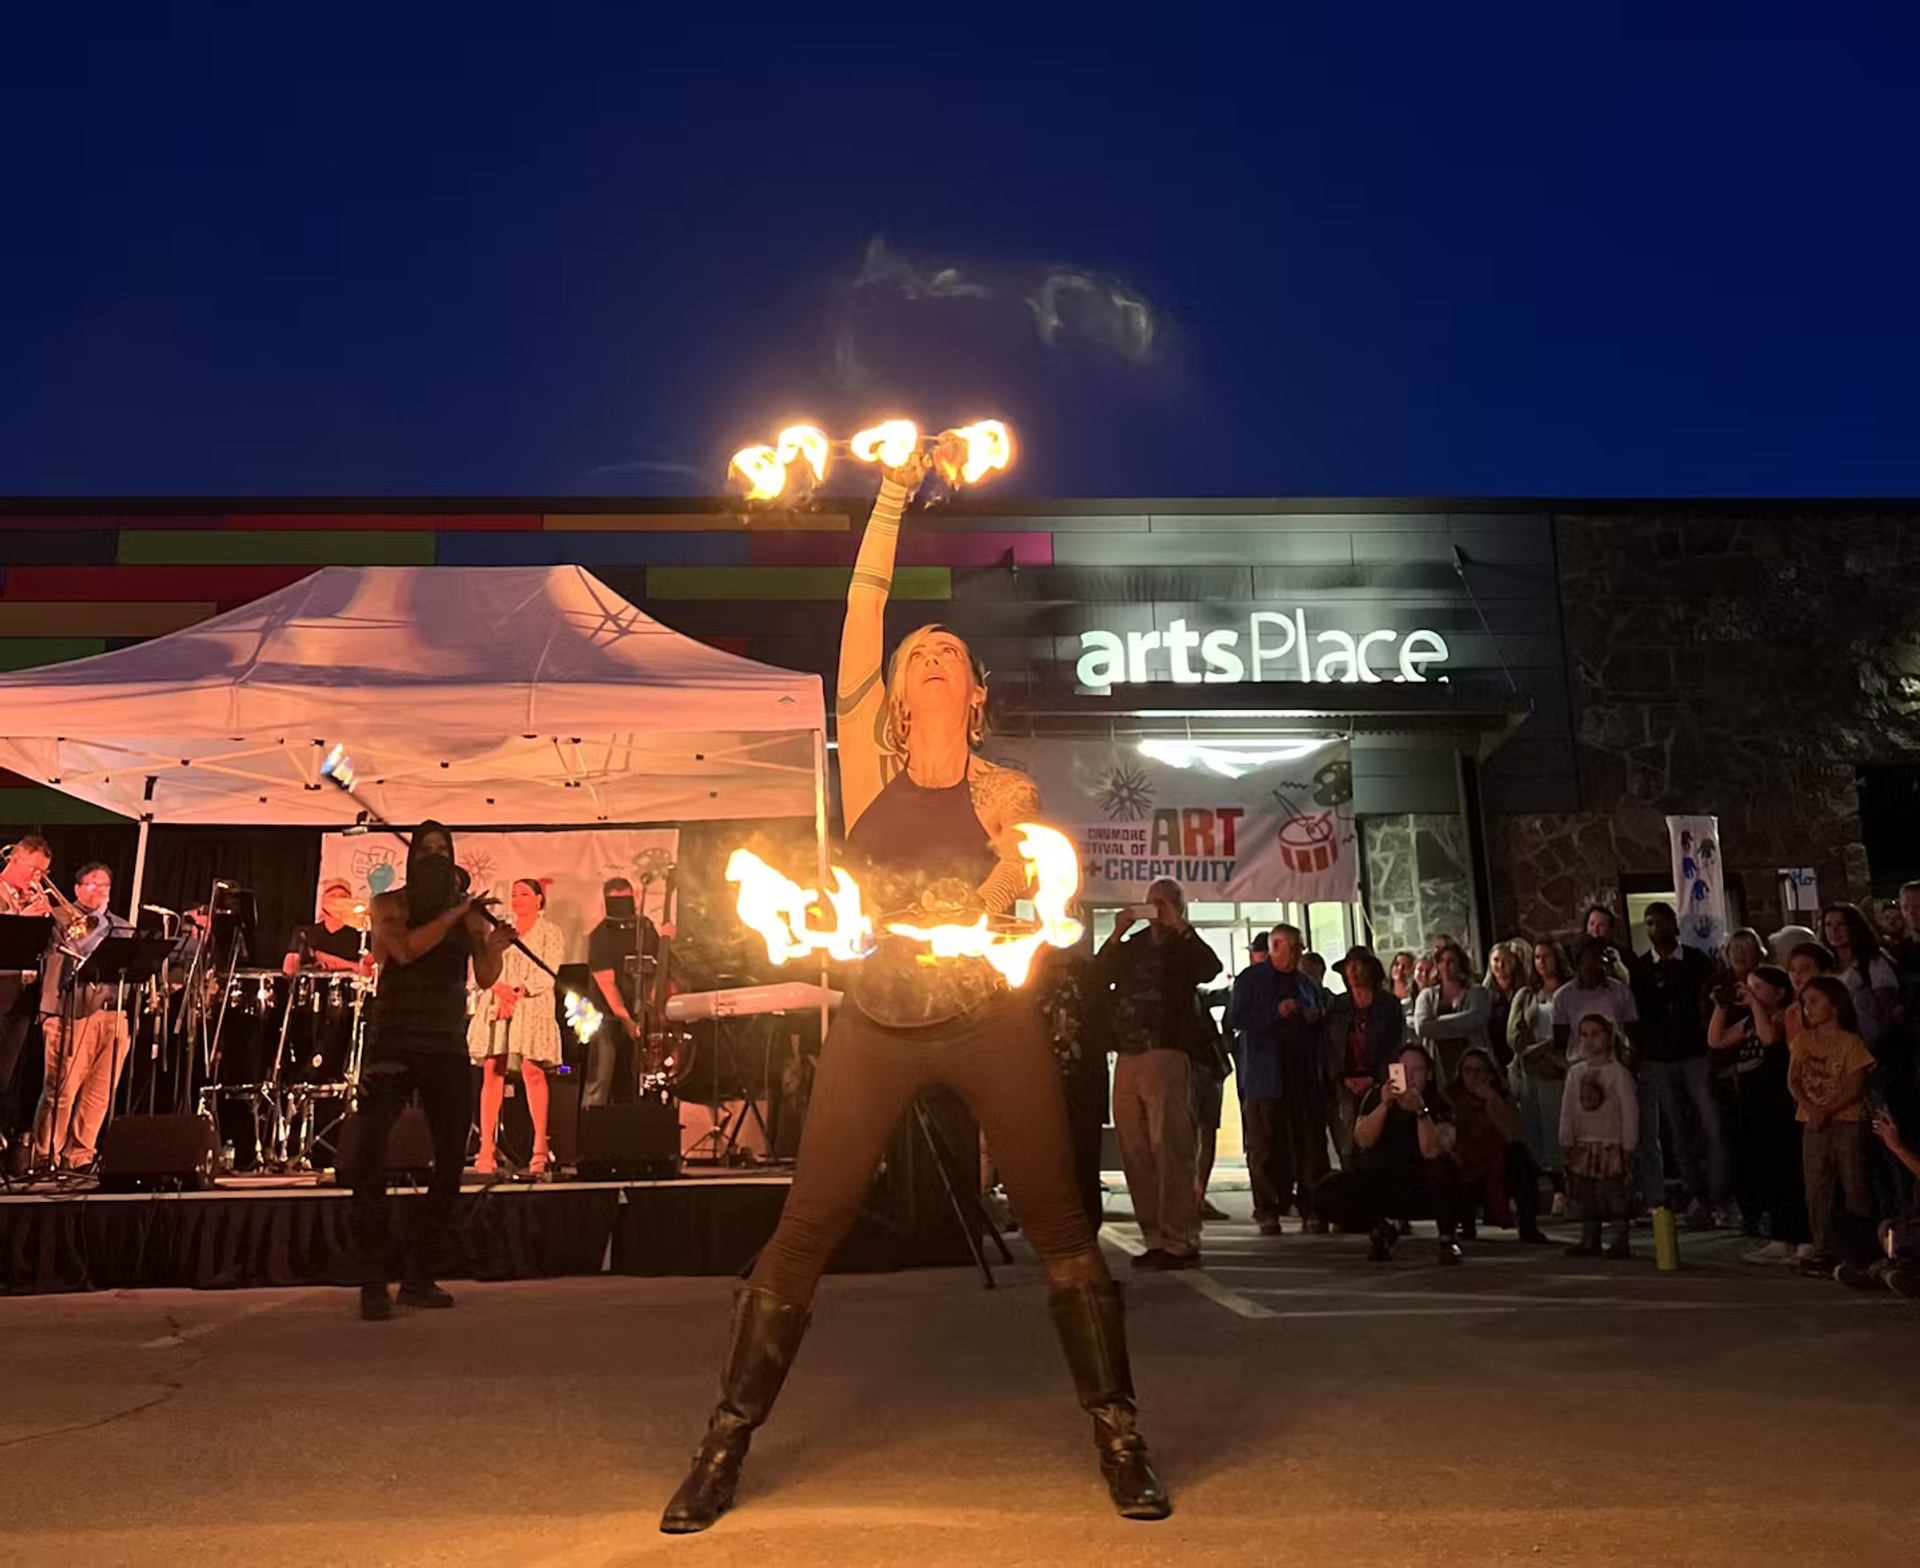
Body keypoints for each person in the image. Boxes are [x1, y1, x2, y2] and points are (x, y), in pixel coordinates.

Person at [661, 453, 1170, 1535]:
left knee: (1061, 1225)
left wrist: (988, 887)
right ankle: (723, 1441)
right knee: (807, 1225)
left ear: (977, 693)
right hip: (879, 1022)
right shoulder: (865, 771)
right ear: (892, 691)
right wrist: (893, 492)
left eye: (953, 652)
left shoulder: (1005, 787)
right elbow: (866, 601)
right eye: (918, 653)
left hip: (988, 1016)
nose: (932, 654)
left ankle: (1119, 1429)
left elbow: (1016, 869)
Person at [350, 823, 515, 1320]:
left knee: (450, 1161)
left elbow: (484, 977)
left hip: (445, 1041)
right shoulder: (391, 904)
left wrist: (496, 944)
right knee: (369, 1154)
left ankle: (419, 1275)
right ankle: (374, 1280)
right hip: (395, 1038)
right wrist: (456, 914)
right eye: (427, 850)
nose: (436, 857)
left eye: (443, 850)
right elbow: (403, 950)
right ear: (413, 858)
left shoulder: (464, 913)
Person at [1102, 878, 1222, 1267]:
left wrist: (1182, 928)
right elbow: (1098, 974)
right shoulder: (1135, 946)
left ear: (1178, 907)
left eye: (1165, 903)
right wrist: (1119, 932)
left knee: (1170, 1145)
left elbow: (1210, 968)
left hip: (1166, 1052)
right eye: (1151, 903)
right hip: (1128, 1055)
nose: (1156, 909)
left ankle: (1180, 1239)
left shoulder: (1183, 947)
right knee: (1134, 1146)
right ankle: (1154, 1236)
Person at [1314, 1043, 1463, 1265]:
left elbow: (1431, 1150)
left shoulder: (1438, 1104)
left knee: (1447, 1169)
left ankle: (1447, 1239)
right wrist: (1384, 1106)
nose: (1410, 1077)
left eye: (1417, 1070)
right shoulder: (1377, 1096)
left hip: (1422, 1185)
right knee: (1326, 1191)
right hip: (1381, 1180)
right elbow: (1362, 1138)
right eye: (1403, 1070)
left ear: (1428, 1074)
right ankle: (1381, 1229)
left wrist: (1421, 1113)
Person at [1629, 902, 1730, 1228]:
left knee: (1710, 1123)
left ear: (1673, 925)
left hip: (1695, 1054)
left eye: (1659, 922)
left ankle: (1719, 1193)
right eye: (1648, 924)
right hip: (1660, 1057)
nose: (1654, 929)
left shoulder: (1697, 962)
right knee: (1676, 1128)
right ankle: (1694, 1193)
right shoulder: (1642, 969)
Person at [28, 862, 132, 1173]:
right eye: (92, 884)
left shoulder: (121, 926)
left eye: (105, 886)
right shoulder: (57, 917)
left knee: (98, 1094)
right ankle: (46, 1155)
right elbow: (69, 950)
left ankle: (80, 1156)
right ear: (76, 889)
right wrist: (94, 923)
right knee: (61, 1091)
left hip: (112, 1014)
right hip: (70, 1013)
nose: (99, 891)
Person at [1709, 963, 1812, 1264]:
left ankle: (1803, 1237)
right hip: (1753, 1103)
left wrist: (1754, 1005)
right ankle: (1780, 1236)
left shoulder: (1785, 1016)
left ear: (1779, 992)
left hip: (1780, 1102)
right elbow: (1716, 1040)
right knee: (1767, 1171)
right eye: (1749, 987)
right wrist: (1722, 1006)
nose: (1751, 993)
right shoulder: (1749, 1021)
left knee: (1789, 1172)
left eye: (1759, 988)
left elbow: (1769, 1040)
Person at [1232, 922, 1326, 1236]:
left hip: (1302, 1074)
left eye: (1299, 948)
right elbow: (1238, 1019)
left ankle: (1311, 1206)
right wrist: (1276, 1013)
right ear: (1276, 947)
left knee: (1307, 1143)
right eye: (1293, 947)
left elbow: (1321, 1021)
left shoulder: (1306, 983)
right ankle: (1268, 1208)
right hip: (1265, 1074)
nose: (1297, 953)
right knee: (1265, 1144)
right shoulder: (1251, 980)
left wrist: (1313, 1018)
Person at [468, 877, 564, 1177]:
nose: (518, 898)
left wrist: (519, 992)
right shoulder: (501, 932)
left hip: (531, 1004)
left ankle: (539, 1146)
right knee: (492, 1071)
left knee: (532, 1071)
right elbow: (481, 967)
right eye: (514, 894)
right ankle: (485, 1148)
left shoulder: (550, 932)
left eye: (525, 893)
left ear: (539, 899)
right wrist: (499, 989)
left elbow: (548, 973)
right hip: (499, 1002)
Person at [1786, 975, 1875, 1275]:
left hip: (1846, 1120)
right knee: (1816, 1184)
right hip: (1812, 1121)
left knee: (1853, 1181)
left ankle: (1858, 1247)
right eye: (1804, 1002)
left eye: (1814, 1002)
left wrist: (1830, 1108)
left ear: (1834, 1005)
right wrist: (1811, 1108)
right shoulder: (1803, 1041)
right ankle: (1821, 1244)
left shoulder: (1851, 1042)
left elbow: (1855, 1083)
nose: (1807, 1008)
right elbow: (1794, 1079)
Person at [1033, 930, 1112, 1234]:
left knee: (1084, 1156)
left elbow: (1101, 1022)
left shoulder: (1088, 978)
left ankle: (1087, 1225)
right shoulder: (1032, 979)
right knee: (1051, 1159)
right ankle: (1055, 1225)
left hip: (1083, 1081)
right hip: (1046, 1083)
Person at [1451, 1045, 1549, 1243]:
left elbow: (1513, 1133)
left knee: (1520, 1156)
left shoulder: (1501, 1098)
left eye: (1479, 1071)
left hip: (1497, 1161)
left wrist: (1493, 1101)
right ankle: (1465, 1224)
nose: (1473, 1076)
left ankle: (1528, 1225)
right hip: (1467, 1161)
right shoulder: (1453, 1099)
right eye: (1468, 1071)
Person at [1559, 1014, 1639, 1259]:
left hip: (1610, 1143)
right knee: (1586, 1194)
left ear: (1608, 1037)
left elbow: (1629, 1111)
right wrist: (1566, 1139)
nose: (1590, 1040)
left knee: (1615, 1193)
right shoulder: (1575, 1073)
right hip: (1584, 1142)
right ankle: (1589, 1237)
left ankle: (1619, 1238)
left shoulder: (1618, 1074)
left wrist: (1629, 1143)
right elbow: (1568, 1108)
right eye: (1584, 1034)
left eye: (1596, 1034)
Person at [583, 876, 661, 1107]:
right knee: (600, 1077)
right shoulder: (600, 936)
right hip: (606, 1014)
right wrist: (626, 1019)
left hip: (642, 1012)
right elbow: (606, 982)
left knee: (639, 1078)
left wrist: (649, 1007)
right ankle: (591, 1126)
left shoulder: (645, 929)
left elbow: (659, 967)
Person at [1323, 948, 1403, 1165]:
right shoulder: (1338, 1006)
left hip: (1379, 1080)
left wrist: (1376, 1076)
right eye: (1350, 966)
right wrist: (1341, 1077)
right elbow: (1329, 1047)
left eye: (1360, 965)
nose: (1355, 971)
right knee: (1348, 1140)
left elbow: (1396, 1045)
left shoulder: (1388, 1005)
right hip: (1345, 1084)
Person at [1508, 939, 1571, 1205]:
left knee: (1557, 1127)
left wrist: (1552, 1049)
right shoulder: (1527, 994)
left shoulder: (1569, 991)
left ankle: (1562, 1185)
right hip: (1532, 1067)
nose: (1541, 962)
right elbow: (1514, 1032)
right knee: (1534, 1128)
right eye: (1536, 957)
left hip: (1560, 1066)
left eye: (1546, 956)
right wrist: (1532, 1049)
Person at [0, 836, 54, 1144]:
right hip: (1, 988)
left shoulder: (27, 897)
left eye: (43, 873)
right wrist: (21, 919)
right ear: (15, 859)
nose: (37, 879)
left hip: (23, 995)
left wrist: (44, 922)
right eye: (35, 870)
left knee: (7, 1076)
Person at [1818, 901, 1899, 1051]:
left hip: (1871, 1048)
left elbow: (1889, 1010)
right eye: (1828, 925)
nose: (1834, 931)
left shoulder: (1872, 963)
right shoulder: (1824, 966)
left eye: (1841, 924)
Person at [1552, 938, 1641, 1065]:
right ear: (1577, 964)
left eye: (1595, 958)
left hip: (1614, 1068)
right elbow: (1560, 1044)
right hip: (1580, 1069)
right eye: (1587, 963)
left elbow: (1633, 1034)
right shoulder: (1562, 998)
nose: (1593, 967)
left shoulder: (1621, 991)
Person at [1411, 942, 1491, 1082]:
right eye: (1441, 961)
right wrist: (1461, 1025)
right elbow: (1422, 1027)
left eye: (1451, 961)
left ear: (1460, 964)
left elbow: (1475, 1019)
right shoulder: (1426, 995)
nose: (1446, 966)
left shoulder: (1477, 992)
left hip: (1472, 1062)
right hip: (1438, 1064)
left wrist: (1437, 1023)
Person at [282, 878, 371, 977]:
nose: (338, 900)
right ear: (323, 901)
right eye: (332, 896)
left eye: (343, 896)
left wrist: (331, 960)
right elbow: (288, 969)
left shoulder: (361, 935)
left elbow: (370, 972)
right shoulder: (304, 933)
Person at [1483, 939, 1527, 1071]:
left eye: (1506, 960)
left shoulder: (1524, 991)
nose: (1501, 965)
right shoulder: (1483, 995)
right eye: (1496, 960)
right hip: (1495, 1056)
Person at [1582, 904, 1632, 981]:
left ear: (1610, 930)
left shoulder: (1626, 956)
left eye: (1601, 925)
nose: (1595, 929)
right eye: (1592, 924)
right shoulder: (1577, 955)